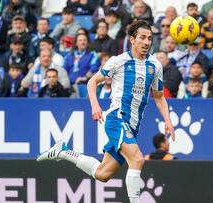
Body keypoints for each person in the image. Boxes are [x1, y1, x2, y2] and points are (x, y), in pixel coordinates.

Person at [37, 20, 176, 203]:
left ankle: (63, 152)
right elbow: (92, 82)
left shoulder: (155, 65)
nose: (147, 42)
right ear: (132, 40)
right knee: (137, 159)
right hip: (116, 118)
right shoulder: (118, 61)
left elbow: (159, 97)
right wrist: (95, 105)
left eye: (149, 38)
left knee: (102, 174)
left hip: (132, 126)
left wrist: (168, 120)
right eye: (142, 38)